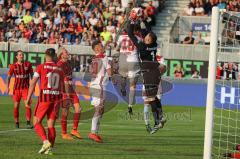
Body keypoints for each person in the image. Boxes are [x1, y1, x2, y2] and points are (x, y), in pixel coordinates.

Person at [127, 8, 166, 134]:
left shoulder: (143, 47)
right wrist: (142, 19)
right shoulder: (154, 45)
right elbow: (148, 31)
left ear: (149, 41)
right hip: (155, 71)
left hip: (148, 72)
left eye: (147, 38)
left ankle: (159, 120)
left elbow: (130, 34)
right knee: (154, 97)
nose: (145, 38)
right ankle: (161, 117)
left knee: (150, 98)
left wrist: (132, 20)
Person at [26, 48, 64, 155]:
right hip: (56, 98)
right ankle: (49, 149)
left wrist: (28, 97)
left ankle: (45, 141)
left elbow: (33, 82)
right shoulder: (59, 69)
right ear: (54, 56)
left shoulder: (40, 67)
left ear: (46, 56)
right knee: (51, 124)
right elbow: (63, 85)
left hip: (45, 97)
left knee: (36, 122)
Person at [88, 40, 112, 142]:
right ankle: (93, 132)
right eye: (101, 46)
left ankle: (95, 132)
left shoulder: (93, 59)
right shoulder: (104, 58)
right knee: (99, 109)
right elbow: (110, 72)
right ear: (97, 48)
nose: (103, 47)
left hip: (94, 85)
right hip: (100, 85)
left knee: (100, 110)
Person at [57, 47, 82, 140]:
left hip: (71, 89)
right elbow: (64, 81)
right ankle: (64, 133)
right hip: (64, 91)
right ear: (61, 55)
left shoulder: (68, 63)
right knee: (65, 112)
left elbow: (69, 78)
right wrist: (67, 95)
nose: (68, 53)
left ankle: (74, 130)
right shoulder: (60, 65)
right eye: (65, 52)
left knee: (78, 108)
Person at [117, 29, 142, 115]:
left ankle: (123, 88)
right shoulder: (138, 38)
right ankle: (130, 106)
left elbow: (117, 48)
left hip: (123, 60)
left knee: (123, 76)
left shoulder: (121, 37)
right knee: (132, 86)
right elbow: (140, 50)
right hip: (133, 61)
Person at [7, 50, 33, 129]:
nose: (21, 56)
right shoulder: (13, 66)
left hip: (25, 88)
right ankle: (17, 122)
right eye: (20, 55)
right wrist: (8, 87)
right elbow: (9, 77)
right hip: (16, 89)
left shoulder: (28, 64)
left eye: (22, 55)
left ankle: (28, 123)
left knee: (27, 105)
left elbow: (32, 75)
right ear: (17, 57)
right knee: (16, 106)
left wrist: (33, 85)